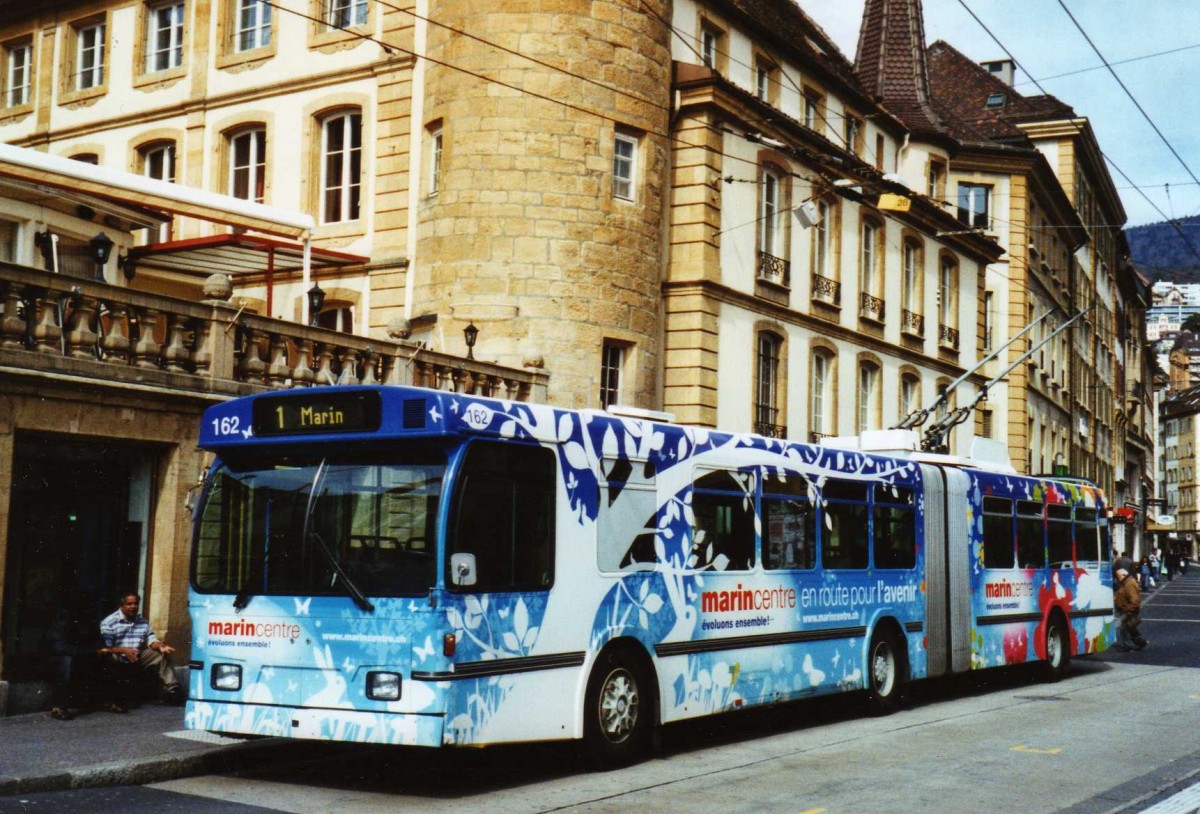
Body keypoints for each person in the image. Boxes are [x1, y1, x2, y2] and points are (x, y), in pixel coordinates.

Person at [98, 593, 182, 712]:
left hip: (137, 658)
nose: (133, 606)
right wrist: (123, 651)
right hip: (118, 658)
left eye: (135, 604)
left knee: (159, 654)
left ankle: (173, 691)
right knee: (110, 658)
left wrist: (160, 646)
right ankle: (114, 697)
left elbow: (151, 639)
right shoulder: (109, 622)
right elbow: (104, 648)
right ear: (122, 606)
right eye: (129, 604)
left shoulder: (142, 621)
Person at [1113, 568, 1148, 652]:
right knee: (1130, 628)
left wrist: (1128, 610)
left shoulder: (1129, 583)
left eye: (1118, 576)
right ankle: (1141, 642)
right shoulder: (1125, 582)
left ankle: (1128, 646)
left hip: (1128, 611)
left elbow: (1135, 600)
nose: (1117, 578)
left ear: (1124, 575)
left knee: (1124, 629)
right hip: (1126, 610)